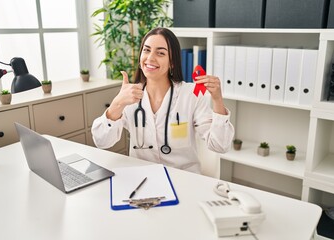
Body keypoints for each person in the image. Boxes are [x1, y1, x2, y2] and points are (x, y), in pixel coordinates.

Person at [91, 27, 234, 173]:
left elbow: (220, 145)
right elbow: (102, 142)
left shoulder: (190, 95)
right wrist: (117, 103)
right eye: (146, 50)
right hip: (143, 179)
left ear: (172, 62)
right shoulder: (129, 96)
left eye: (160, 53)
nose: (150, 58)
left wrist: (217, 99)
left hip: (183, 179)